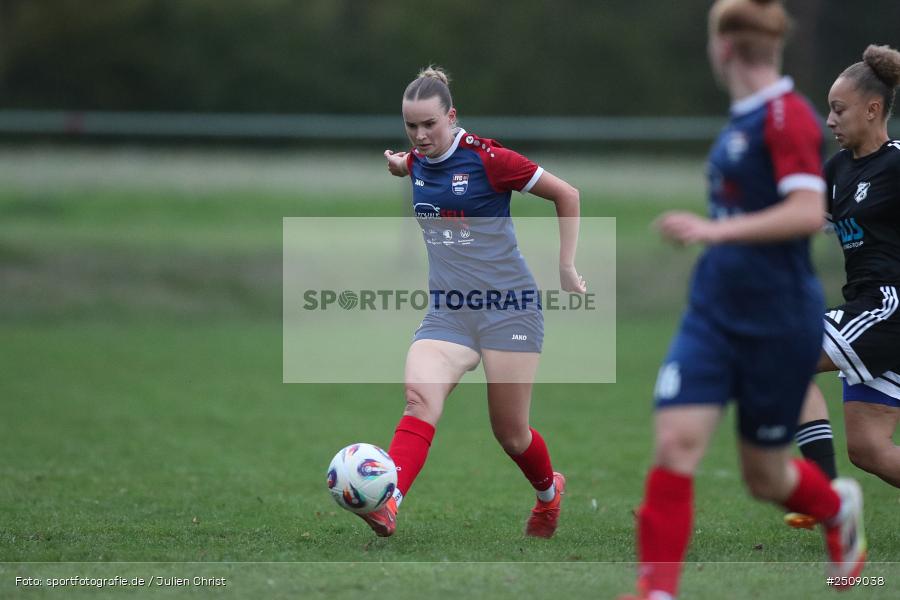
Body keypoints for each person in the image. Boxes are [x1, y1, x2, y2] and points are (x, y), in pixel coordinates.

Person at [620, 1, 866, 598]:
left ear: (723, 48)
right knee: (675, 443)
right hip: (713, 313)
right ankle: (657, 590)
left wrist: (713, 230)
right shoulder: (741, 120)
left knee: (764, 476)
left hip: (778, 319)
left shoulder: (787, 118)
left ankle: (836, 508)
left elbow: (808, 213)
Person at [356, 66, 586, 539]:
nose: (420, 136)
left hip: (510, 310)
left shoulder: (490, 159)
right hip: (449, 312)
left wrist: (566, 267)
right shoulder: (419, 159)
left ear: (452, 117)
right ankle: (388, 501)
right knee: (419, 399)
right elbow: (414, 164)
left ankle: (549, 493)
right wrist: (400, 164)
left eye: (429, 125)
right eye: (411, 126)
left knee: (511, 434)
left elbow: (567, 194)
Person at [790, 44, 900, 503]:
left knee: (781, 356)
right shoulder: (836, 170)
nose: (829, 121)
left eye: (839, 110)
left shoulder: (897, 163)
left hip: (887, 305)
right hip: (866, 310)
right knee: (868, 449)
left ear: (873, 110)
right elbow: (799, 224)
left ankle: (825, 499)